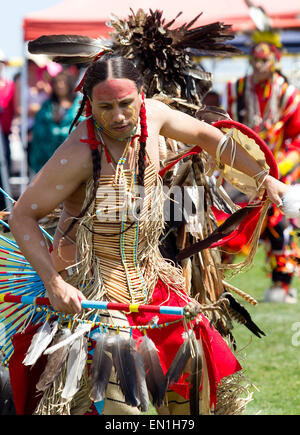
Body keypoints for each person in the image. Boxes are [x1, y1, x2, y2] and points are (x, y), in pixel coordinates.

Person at [5, 52, 288, 416]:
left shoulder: (154, 116)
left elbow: (210, 137)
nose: (119, 116)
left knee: (195, 395)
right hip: (95, 293)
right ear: (89, 103)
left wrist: (264, 178)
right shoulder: (77, 152)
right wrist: (54, 284)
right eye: (105, 107)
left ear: (142, 93)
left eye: (126, 103)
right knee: (124, 410)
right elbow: (22, 216)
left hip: (155, 283)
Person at [226, 31, 300, 303]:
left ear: (275, 60)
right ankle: (216, 278)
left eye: (264, 60)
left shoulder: (287, 94)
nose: (259, 66)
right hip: (242, 169)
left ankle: (281, 286)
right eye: (255, 60)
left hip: (279, 170)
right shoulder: (236, 90)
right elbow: (228, 129)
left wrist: (279, 168)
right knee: (225, 220)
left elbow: (297, 140)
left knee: (280, 224)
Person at [29, 71, 81, 174]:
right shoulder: (47, 105)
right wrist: (54, 133)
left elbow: (83, 124)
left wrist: (64, 133)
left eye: (63, 82)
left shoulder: (80, 104)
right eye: (57, 82)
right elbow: (39, 128)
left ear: (69, 84)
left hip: (75, 155)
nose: (59, 85)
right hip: (49, 155)